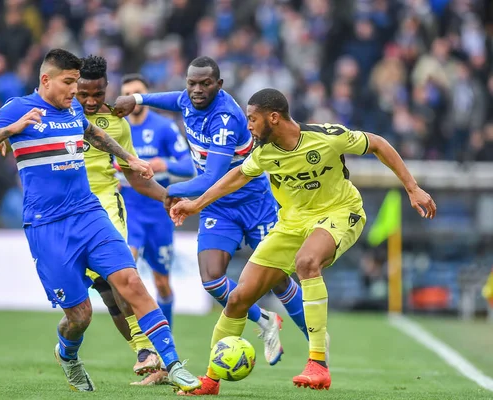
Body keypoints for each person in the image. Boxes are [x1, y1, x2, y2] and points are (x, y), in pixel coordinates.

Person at [170, 88, 437, 393]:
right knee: (238, 298)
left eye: (253, 119)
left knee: (307, 262)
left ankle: (318, 364)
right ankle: (211, 379)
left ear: (273, 117)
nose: (249, 126)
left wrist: (412, 188)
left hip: (339, 212)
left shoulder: (327, 137)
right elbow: (237, 177)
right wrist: (196, 203)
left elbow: (378, 143)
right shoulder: (263, 153)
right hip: (292, 222)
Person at [0, 48, 200, 393]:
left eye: (77, 83)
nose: (74, 91)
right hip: (47, 226)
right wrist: (10, 130)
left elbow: (92, 133)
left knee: (130, 282)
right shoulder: (18, 108)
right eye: (68, 82)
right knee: (80, 316)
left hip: (89, 213)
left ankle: (173, 363)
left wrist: (129, 159)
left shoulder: (72, 106)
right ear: (46, 80)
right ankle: (68, 355)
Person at [113, 57, 309, 381]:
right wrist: (137, 99)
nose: (197, 90)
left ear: (219, 85)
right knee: (212, 280)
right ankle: (264, 321)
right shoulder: (187, 99)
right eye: (192, 83)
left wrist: (169, 191)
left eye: (205, 84)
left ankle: (317, 349)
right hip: (218, 207)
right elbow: (171, 98)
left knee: (278, 278)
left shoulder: (227, 118)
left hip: (253, 202)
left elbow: (212, 178)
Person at [76, 55, 168, 380]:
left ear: (106, 88)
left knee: (121, 274)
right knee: (105, 292)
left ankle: (149, 351)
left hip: (103, 202)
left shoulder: (117, 124)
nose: (90, 100)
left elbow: (135, 175)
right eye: (83, 93)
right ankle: (152, 358)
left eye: (97, 94)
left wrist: (167, 196)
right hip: (66, 211)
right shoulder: (56, 115)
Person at [118, 73, 196, 385]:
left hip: (160, 211)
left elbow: (188, 165)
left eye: (137, 93)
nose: (132, 99)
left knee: (162, 284)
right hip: (129, 211)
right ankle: (144, 350)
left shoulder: (163, 128)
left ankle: (165, 353)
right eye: (127, 94)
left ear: (145, 96)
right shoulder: (116, 128)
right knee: (127, 272)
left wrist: (163, 164)